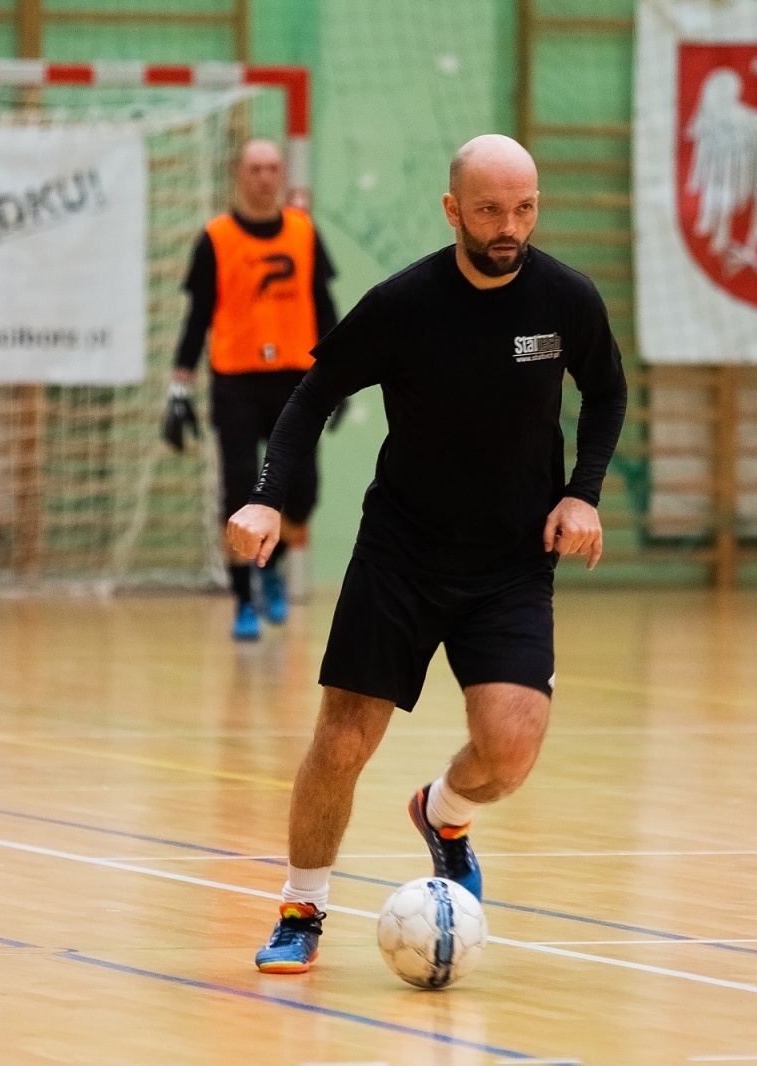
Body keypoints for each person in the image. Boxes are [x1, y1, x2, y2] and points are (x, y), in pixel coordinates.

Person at [227, 134, 628, 974]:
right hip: (401, 553)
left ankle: (442, 814)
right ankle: (303, 906)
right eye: (489, 209)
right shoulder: (404, 304)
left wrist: (582, 490)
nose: (508, 226)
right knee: (342, 742)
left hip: (512, 561)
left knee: (511, 747)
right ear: (453, 210)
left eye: (524, 207)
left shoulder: (566, 299)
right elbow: (311, 397)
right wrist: (267, 496)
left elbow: (607, 390)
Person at [165, 138, 340, 642]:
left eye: (272, 168)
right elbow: (197, 317)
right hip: (236, 381)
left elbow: (324, 307)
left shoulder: (304, 232)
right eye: (255, 168)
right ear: (239, 175)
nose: (264, 177)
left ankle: (273, 563)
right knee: (240, 489)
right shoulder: (216, 238)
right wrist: (180, 384)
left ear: (283, 174)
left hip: (296, 380)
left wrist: (340, 374)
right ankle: (244, 600)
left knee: (301, 491)